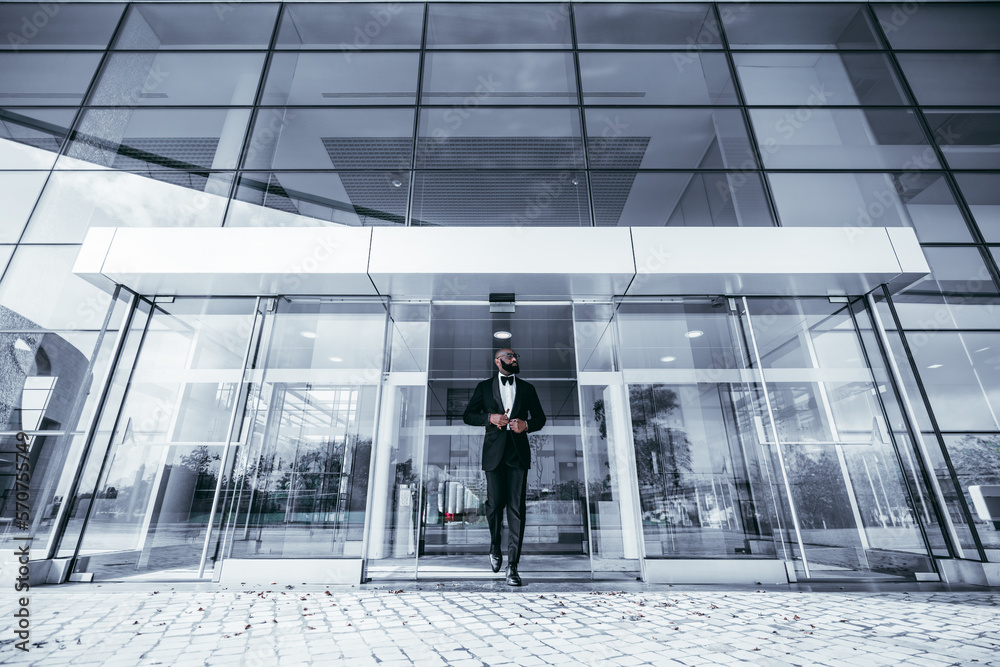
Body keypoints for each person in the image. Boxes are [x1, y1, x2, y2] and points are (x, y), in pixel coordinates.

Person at [462, 348, 546, 586]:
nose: (515, 359)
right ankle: (494, 545)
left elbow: (540, 418)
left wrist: (526, 425)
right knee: (494, 505)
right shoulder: (483, 387)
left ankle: (513, 566)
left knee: (517, 508)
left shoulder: (528, 389)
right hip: (493, 455)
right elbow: (468, 415)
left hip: (518, 455)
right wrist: (489, 418)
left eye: (516, 356)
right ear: (498, 362)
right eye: (510, 356)